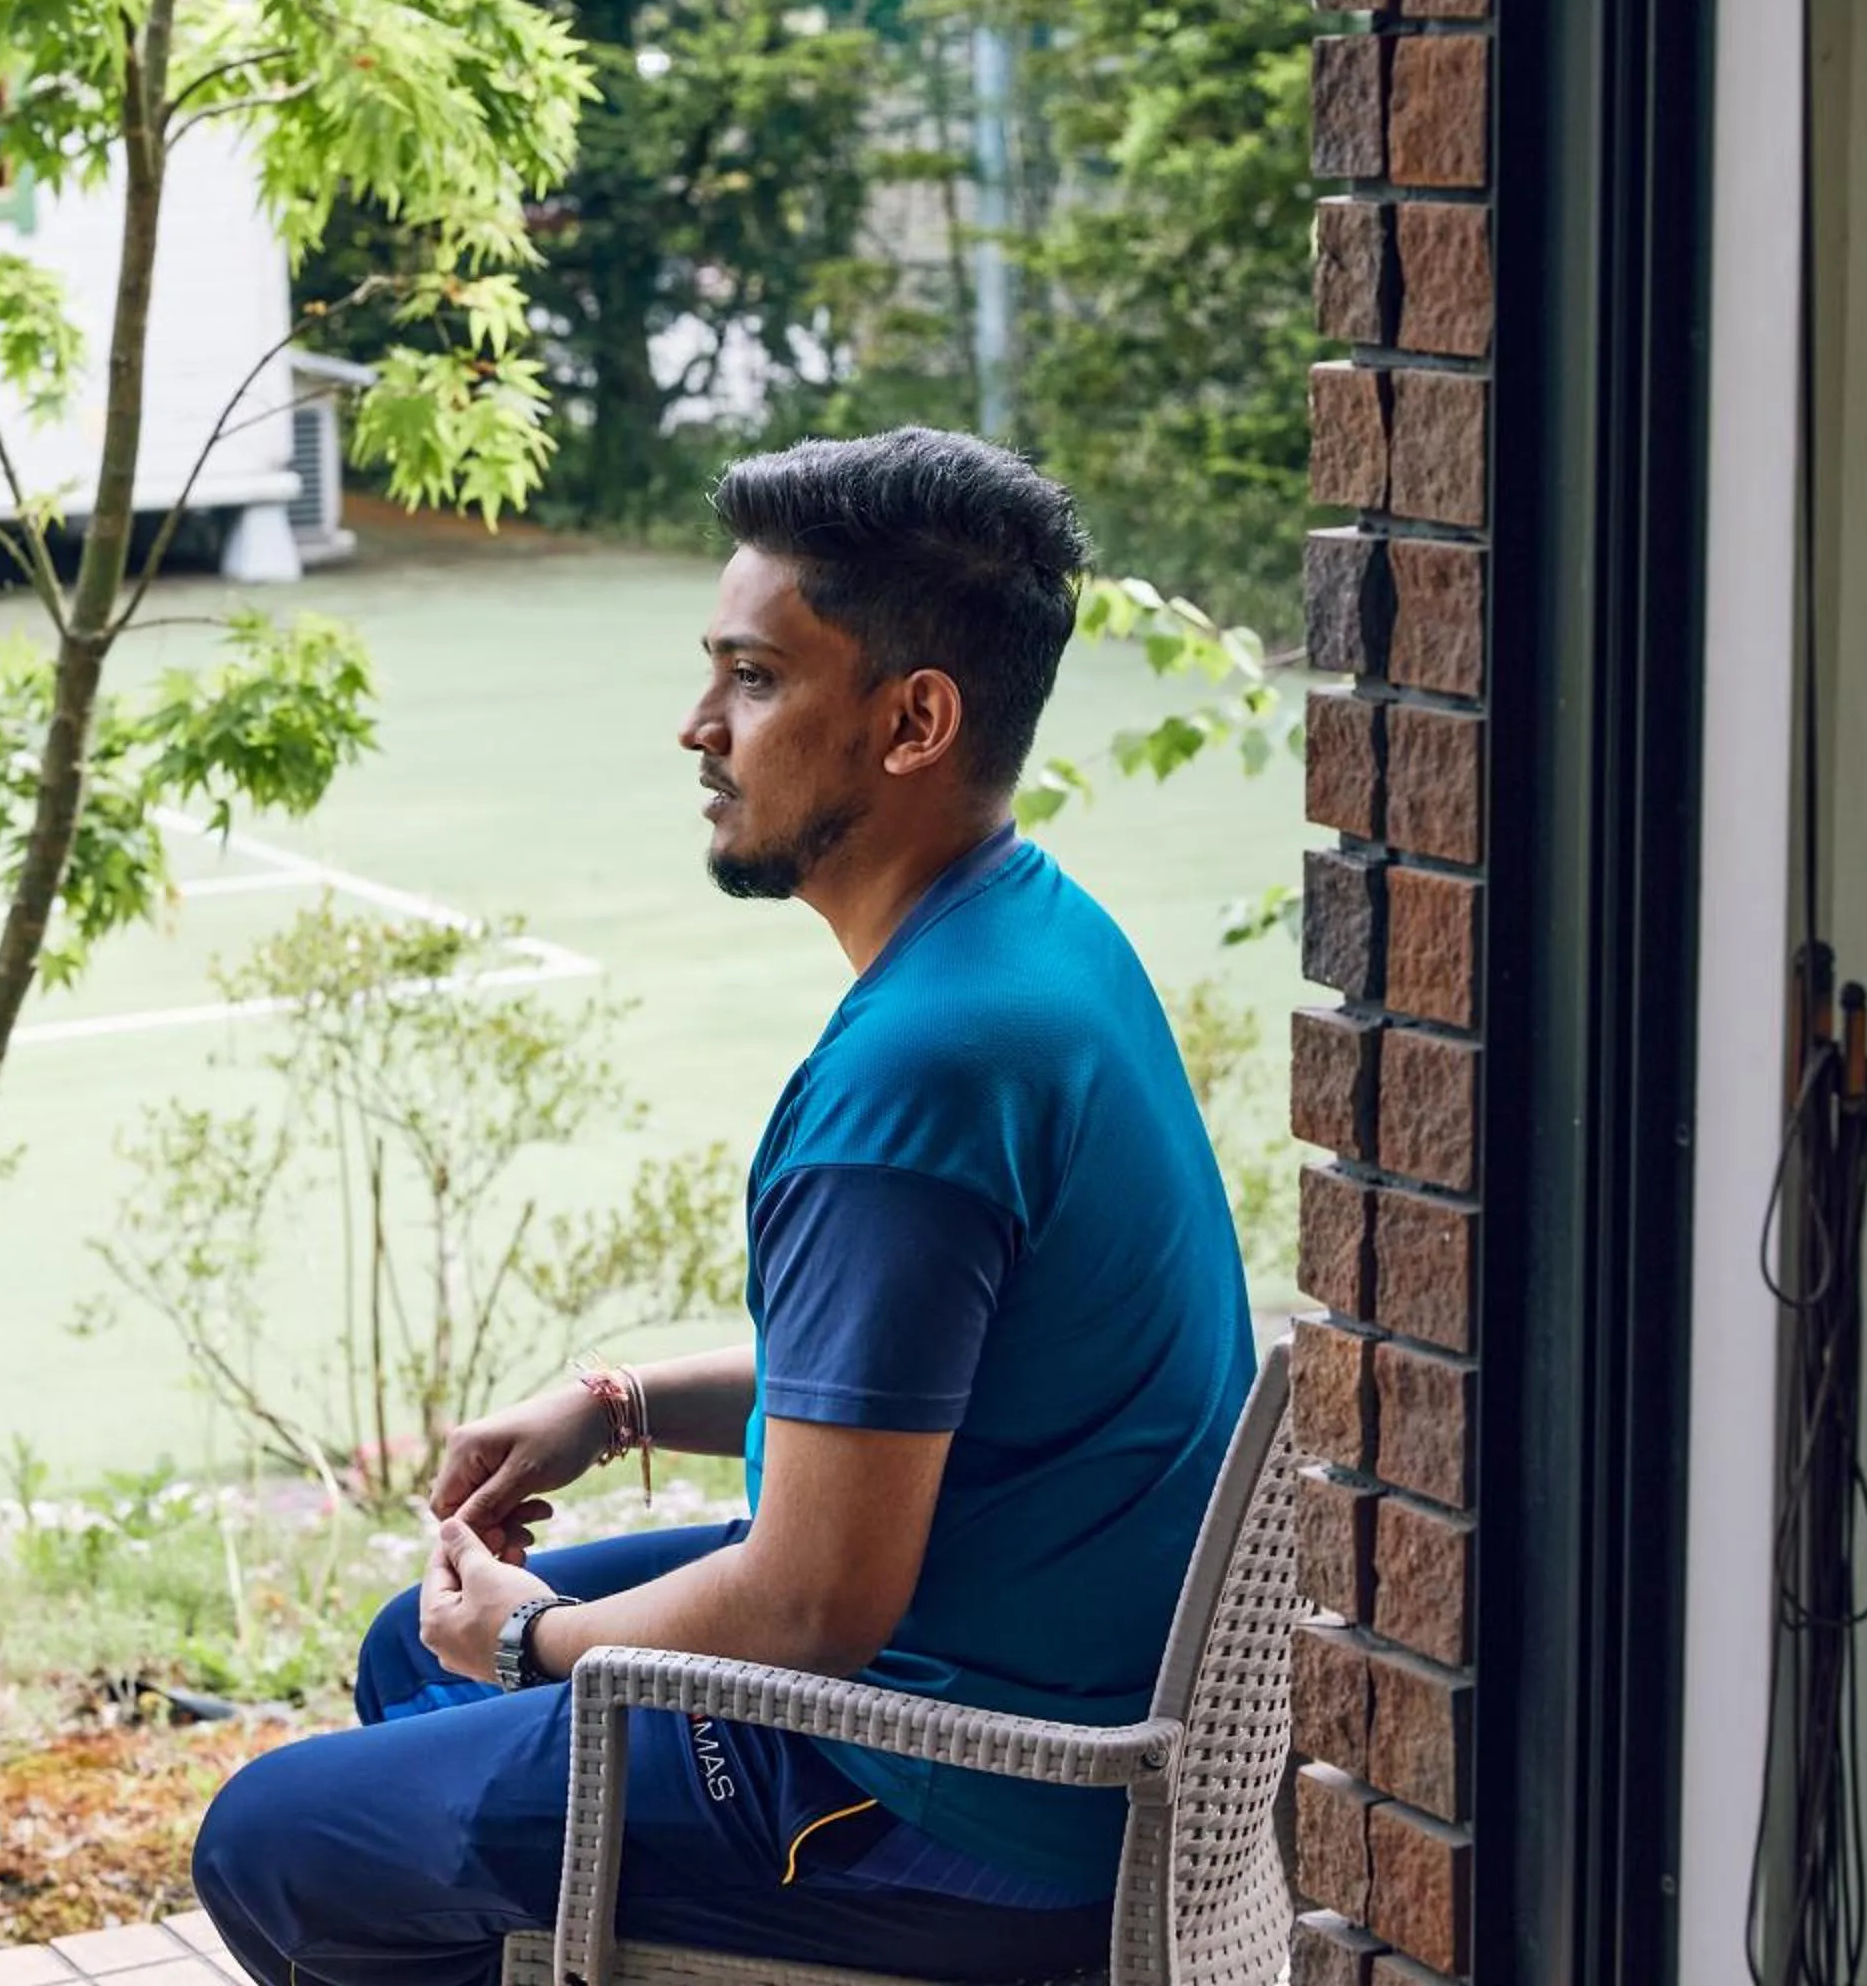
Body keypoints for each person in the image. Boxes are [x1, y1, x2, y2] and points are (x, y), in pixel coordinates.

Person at [191, 430, 1257, 1986]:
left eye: (753, 681)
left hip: (944, 1797)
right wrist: (612, 1406)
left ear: (913, 721)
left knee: (276, 1843)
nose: (698, 728)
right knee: (395, 1651)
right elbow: (931, 1379)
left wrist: (528, 1636)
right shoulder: (1043, 939)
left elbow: (812, 1605)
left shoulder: (920, 1082)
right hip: (1043, 1686)